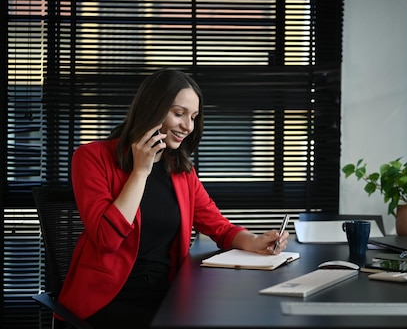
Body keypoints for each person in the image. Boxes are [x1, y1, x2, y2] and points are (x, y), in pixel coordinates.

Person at [57, 69, 290, 328]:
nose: (188, 126)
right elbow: (106, 240)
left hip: (167, 295)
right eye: (179, 114)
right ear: (151, 109)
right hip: (108, 300)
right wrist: (140, 172)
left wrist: (256, 242)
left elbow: (220, 228)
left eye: (193, 117)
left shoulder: (180, 170)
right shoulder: (92, 157)